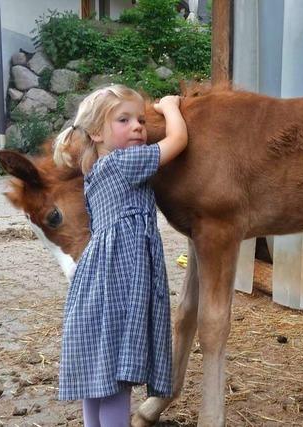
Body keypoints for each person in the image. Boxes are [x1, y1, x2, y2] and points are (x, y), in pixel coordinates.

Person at [52, 84, 188, 426]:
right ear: (97, 133)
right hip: (118, 286)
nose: (139, 126)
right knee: (115, 380)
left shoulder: (94, 172)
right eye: (124, 119)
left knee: (97, 379)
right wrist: (171, 107)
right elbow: (177, 142)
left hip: (95, 285)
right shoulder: (125, 162)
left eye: (141, 119)